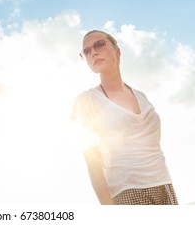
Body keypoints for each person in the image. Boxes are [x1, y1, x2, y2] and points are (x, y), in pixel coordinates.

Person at [70, 30, 178, 205]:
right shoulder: (87, 100)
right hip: (127, 192)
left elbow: (153, 144)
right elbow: (93, 162)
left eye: (99, 44)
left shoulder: (141, 96)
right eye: (86, 51)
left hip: (164, 185)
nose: (93, 53)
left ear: (117, 51)